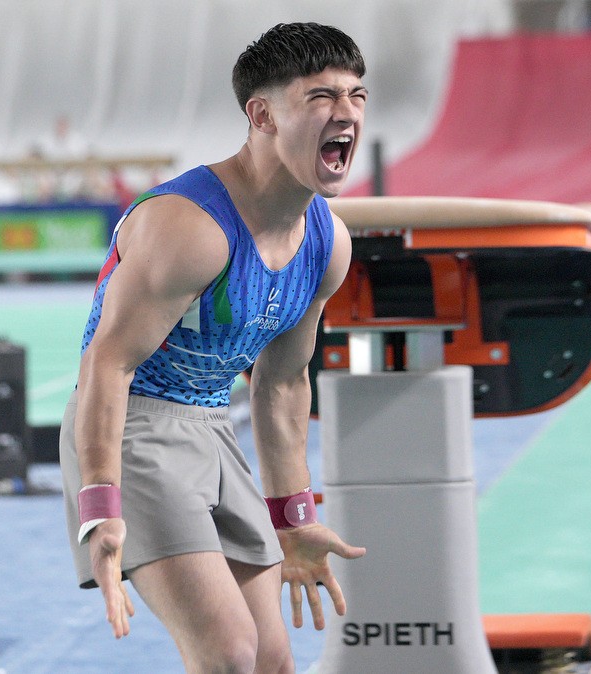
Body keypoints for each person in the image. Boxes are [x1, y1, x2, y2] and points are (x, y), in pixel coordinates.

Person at [59, 22, 369, 673]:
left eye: (356, 96)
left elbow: (282, 384)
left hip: (213, 426)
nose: (346, 113)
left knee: (272, 663)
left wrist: (293, 515)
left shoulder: (327, 244)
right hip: (132, 426)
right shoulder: (190, 227)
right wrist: (100, 504)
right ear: (262, 116)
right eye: (321, 97)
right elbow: (107, 363)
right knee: (229, 652)